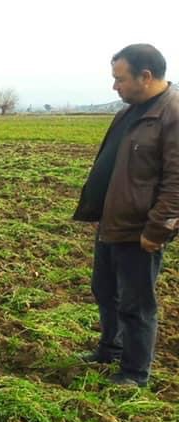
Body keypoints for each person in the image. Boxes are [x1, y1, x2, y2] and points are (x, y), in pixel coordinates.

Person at [73, 43, 179, 387]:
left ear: (145, 76)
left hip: (140, 230)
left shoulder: (172, 115)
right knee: (104, 290)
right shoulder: (129, 112)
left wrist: (157, 229)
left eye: (119, 79)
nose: (114, 86)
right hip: (112, 222)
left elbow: (176, 182)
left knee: (137, 304)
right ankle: (111, 348)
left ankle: (134, 372)